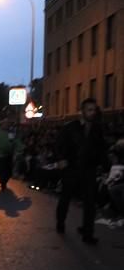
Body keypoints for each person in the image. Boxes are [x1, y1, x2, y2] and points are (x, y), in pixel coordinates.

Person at [55, 98, 108, 244]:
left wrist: (105, 167)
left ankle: (88, 233)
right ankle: (60, 222)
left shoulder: (97, 130)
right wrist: (61, 159)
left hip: (89, 170)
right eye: (89, 110)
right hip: (71, 168)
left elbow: (102, 150)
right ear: (82, 111)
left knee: (90, 202)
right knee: (65, 198)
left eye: (94, 110)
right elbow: (59, 144)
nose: (92, 113)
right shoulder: (70, 127)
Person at [0, 109, 20, 191]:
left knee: (9, 171)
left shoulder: (11, 132)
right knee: (2, 169)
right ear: (2, 124)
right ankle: (3, 182)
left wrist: (20, 148)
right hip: (0, 154)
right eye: (5, 123)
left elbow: (16, 141)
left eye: (8, 124)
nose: (6, 125)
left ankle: (4, 180)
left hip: (9, 154)